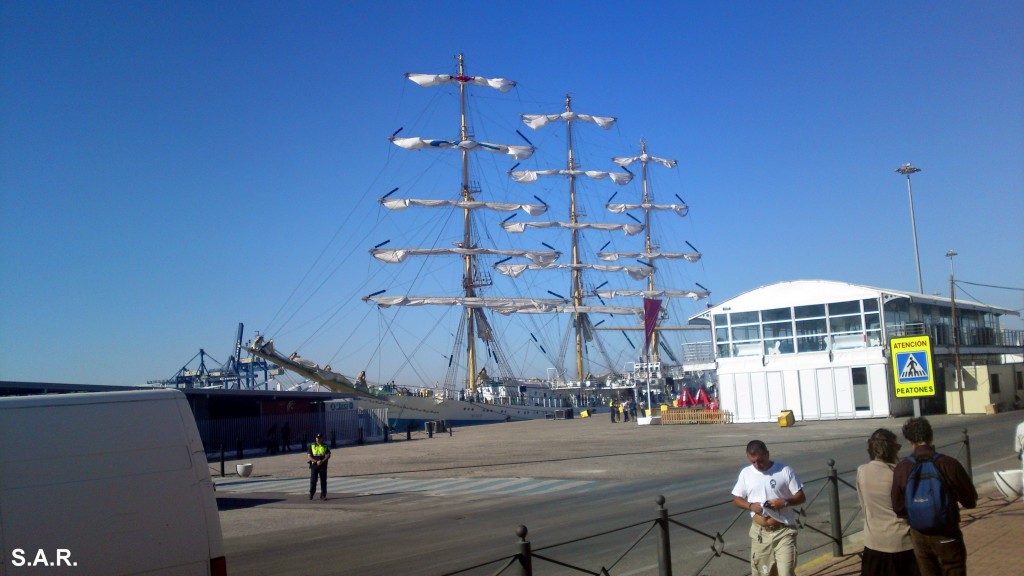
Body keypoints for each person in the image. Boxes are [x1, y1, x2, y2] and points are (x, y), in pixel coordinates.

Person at [890, 417, 977, 576]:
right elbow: (970, 501)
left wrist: (918, 514)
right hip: (947, 532)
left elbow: (897, 507)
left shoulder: (902, 468)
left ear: (909, 440)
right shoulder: (949, 463)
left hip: (919, 535)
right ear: (931, 437)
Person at [732, 440, 806, 576]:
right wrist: (750, 506)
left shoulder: (784, 470)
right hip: (760, 534)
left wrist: (784, 502)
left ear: (767, 454)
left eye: (760, 461)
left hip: (783, 531)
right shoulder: (746, 473)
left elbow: (801, 496)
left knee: (786, 573)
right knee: (763, 573)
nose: (757, 465)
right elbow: (736, 499)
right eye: (753, 462)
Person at [856, 428, 919, 576]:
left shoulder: (862, 471)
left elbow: (863, 503)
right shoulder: (899, 473)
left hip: (874, 543)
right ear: (892, 450)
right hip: (902, 542)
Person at [307, 433, 331, 500]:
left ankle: (323, 495)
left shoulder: (325, 446)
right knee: (313, 480)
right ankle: (311, 493)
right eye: (317, 438)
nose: (318, 439)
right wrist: (316, 461)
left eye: (319, 438)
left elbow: (328, 455)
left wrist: (322, 461)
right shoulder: (312, 446)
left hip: (323, 465)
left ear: (322, 439)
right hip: (314, 465)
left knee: (323, 480)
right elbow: (309, 456)